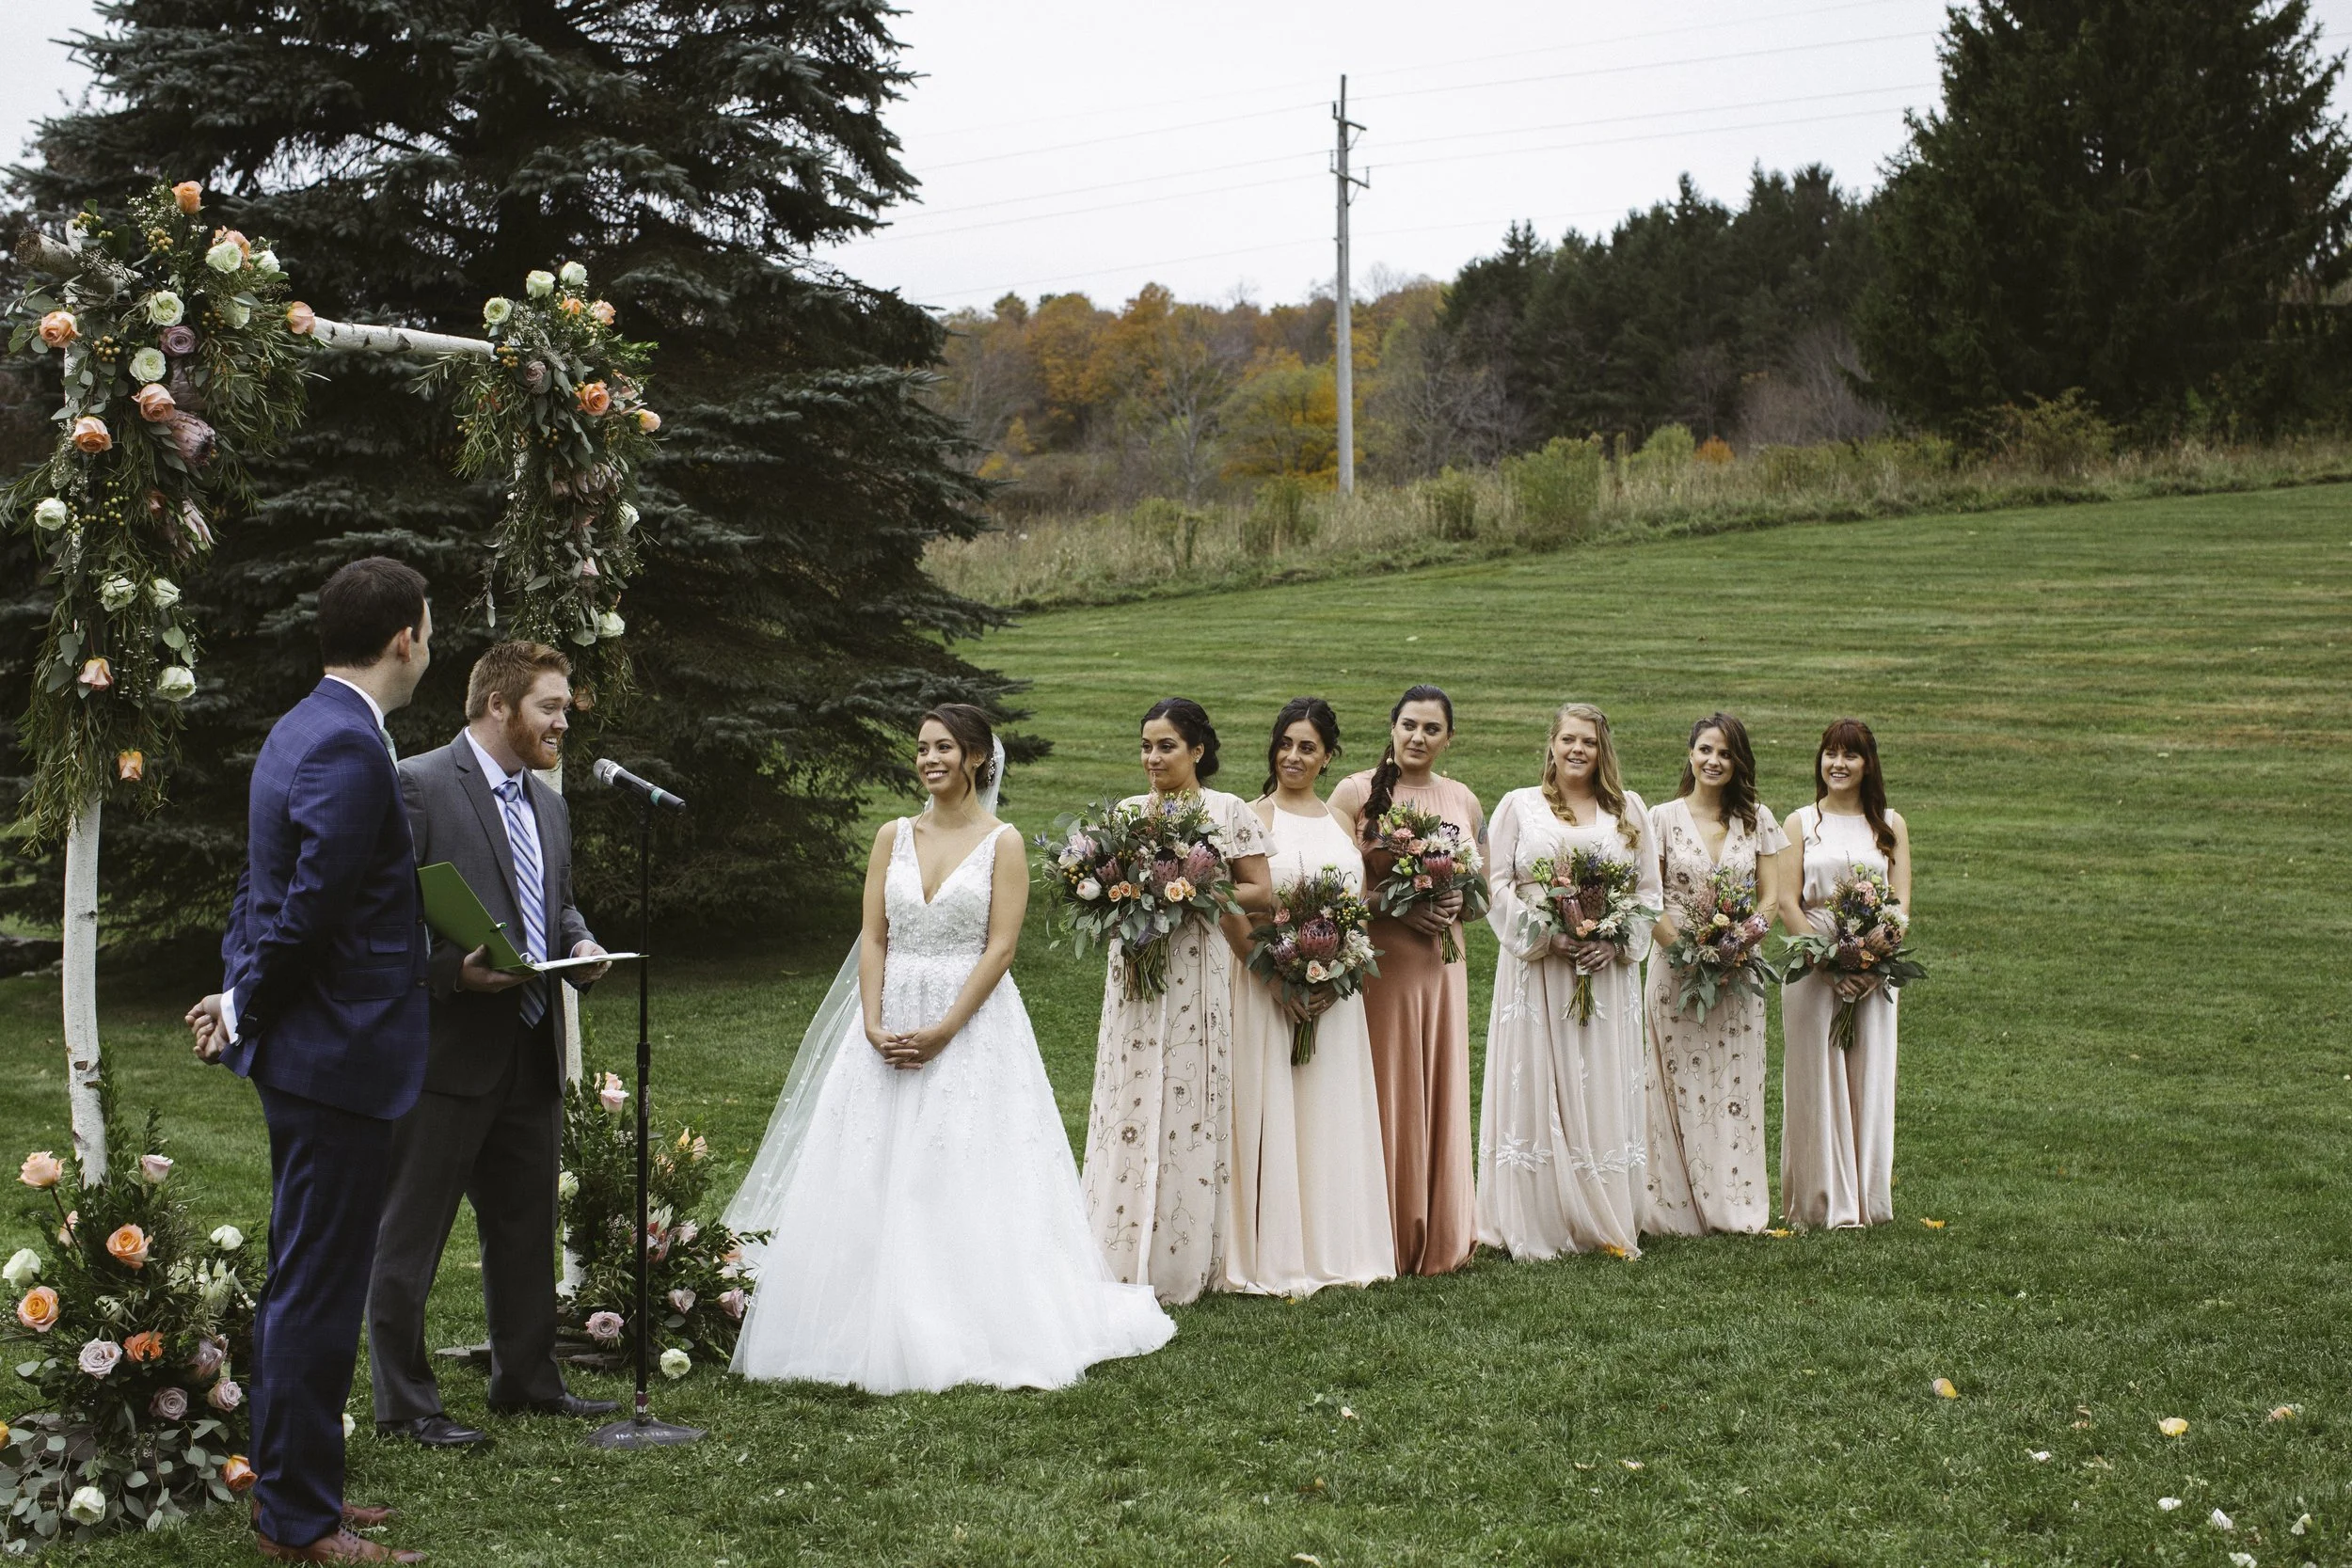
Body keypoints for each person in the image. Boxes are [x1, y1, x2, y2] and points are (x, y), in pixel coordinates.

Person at [724, 706, 1173, 1390]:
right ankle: (857, 1308)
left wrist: (945, 1029)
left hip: (972, 1019)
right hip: (889, 1012)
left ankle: (960, 1313)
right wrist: (873, 1021)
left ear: (975, 759)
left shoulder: (1004, 842)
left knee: (960, 1160)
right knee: (870, 1157)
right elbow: (874, 936)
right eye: (921, 748)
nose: (929, 759)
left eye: (943, 748)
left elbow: (1001, 947)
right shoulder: (891, 835)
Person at [185, 557, 434, 1564]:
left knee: (309, 1275)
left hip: (316, 1049)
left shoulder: (304, 725)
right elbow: (309, 906)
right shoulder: (345, 744)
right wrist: (243, 999)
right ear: (405, 639)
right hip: (338, 1055)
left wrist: (237, 991)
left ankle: (300, 1487)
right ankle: (298, 1520)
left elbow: (266, 889)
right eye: (431, 629)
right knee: (317, 1287)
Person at [367, 641, 616, 1447]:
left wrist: (579, 946)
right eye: (551, 705)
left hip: (530, 1049)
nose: (564, 719)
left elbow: (560, 905)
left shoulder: (549, 802)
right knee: (410, 1237)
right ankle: (405, 1404)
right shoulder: (418, 781)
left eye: (566, 705)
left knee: (525, 1229)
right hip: (443, 1055)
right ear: (499, 706)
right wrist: (449, 972)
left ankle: (529, 1382)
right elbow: (382, 915)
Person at [1079, 698, 1274, 1305]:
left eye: (1166, 746)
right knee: (1129, 1091)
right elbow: (1097, 884)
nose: (1153, 758)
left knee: (1190, 1094)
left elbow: (1261, 891)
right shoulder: (1127, 815)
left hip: (1197, 969)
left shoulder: (1228, 810)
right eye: (1146, 746)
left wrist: (1196, 891)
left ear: (1197, 751)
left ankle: (1182, 1255)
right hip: (1135, 970)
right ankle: (1113, 1244)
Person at [1476, 702, 1661, 1260]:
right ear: (1551, 745)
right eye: (1568, 740)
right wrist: (1545, 935)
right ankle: (1539, 1214)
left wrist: (1614, 939)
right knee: (1536, 1079)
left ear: (1603, 750)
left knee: (1598, 1079)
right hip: (1538, 970)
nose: (1578, 750)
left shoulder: (1629, 810)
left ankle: (1600, 1205)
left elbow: (1649, 893)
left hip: (1601, 976)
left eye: (1589, 742)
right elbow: (1496, 882)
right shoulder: (1519, 805)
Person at [1222, 699, 1393, 1297]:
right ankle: (1273, 1249)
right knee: (1275, 1109)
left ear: (1328, 756)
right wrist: (1274, 978)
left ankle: (1334, 1241)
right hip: (1267, 984)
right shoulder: (1247, 816)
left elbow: (1357, 907)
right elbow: (1229, 907)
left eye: (1308, 747)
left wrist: (1336, 964)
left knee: (1328, 1110)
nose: (1294, 756)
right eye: (1286, 744)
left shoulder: (1342, 822)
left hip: (1333, 995)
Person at [1328, 686, 1484, 1276]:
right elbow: (1338, 889)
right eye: (1409, 726)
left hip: (1443, 962)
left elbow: (1481, 888)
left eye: (1432, 729)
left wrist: (1452, 904)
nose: (1418, 738)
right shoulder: (1353, 792)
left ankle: (1441, 1228)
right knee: (1388, 1084)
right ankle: (1384, 1229)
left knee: (1440, 1081)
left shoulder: (1463, 799)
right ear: (1392, 727)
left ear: (1448, 738)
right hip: (1384, 963)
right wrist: (1396, 907)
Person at [1639, 713, 1788, 1237]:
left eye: (1725, 753)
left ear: (1739, 761)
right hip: (1674, 968)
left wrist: (1742, 942)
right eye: (1705, 749)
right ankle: (1673, 1209)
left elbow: (1770, 898)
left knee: (1736, 1083)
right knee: (1673, 1081)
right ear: (1690, 754)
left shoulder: (1759, 820)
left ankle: (1735, 1203)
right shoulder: (1660, 818)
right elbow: (1648, 899)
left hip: (1739, 972)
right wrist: (1686, 952)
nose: (1714, 761)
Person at [1777, 718, 1913, 1228]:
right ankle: (1819, 1202)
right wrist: (1827, 962)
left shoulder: (1890, 824)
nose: (1838, 763)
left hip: (1875, 974)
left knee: (1869, 1078)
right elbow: (1789, 902)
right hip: (1813, 971)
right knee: (1816, 1078)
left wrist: (1877, 959)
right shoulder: (1799, 823)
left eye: (1850, 755)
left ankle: (1866, 1199)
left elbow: (1899, 903)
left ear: (1867, 764)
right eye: (1830, 753)